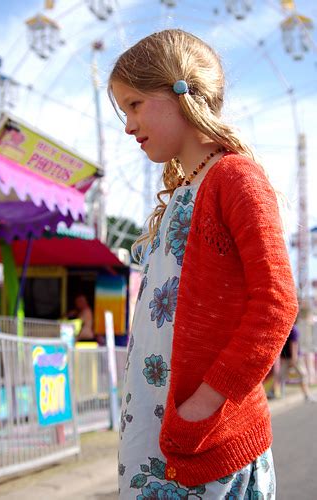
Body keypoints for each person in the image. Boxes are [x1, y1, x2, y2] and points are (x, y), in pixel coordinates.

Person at [108, 29, 298, 499]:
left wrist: (202, 407)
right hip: (159, 430)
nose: (128, 126)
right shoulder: (180, 195)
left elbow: (276, 304)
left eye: (134, 105)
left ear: (180, 92)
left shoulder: (234, 178)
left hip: (203, 440)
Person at [271, 321, 316, 402]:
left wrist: (292, 358)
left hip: (291, 357)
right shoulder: (290, 329)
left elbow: (292, 344)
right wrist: (291, 358)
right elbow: (291, 344)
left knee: (299, 375)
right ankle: (276, 392)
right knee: (285, 375)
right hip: (290, 357)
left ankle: (306, 394)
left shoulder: (290, 329)